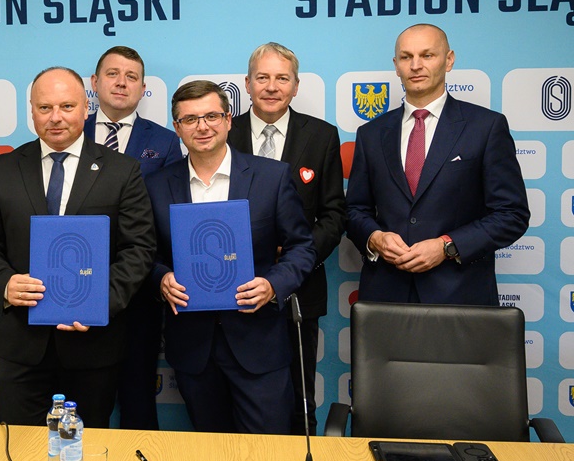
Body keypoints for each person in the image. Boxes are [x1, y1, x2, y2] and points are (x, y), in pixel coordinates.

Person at [0, 66, 156, 429]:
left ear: (85, 108)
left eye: (66, 106)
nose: (55, 118)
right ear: (32, 111)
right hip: (20, 347)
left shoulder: (122, 170)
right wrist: (5, 283)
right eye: (44, 108)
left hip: (93, 346)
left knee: (84, 456)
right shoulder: (2, 169)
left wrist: (99, 302)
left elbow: (139, 250)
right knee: (17, 456)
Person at [146, 80, 315, 434]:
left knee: (268, 455)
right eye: (190, 119)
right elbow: (146, 253)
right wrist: (161, 277)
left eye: (211, 115)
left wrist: (273, 284)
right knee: (211, 455)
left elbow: (302, 246)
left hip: (259, 343)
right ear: (177, 128)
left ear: (228, 120)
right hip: (194, 348)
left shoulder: (271, 177)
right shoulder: (157, 185)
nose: (202, 126)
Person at [345, 24, 529, 305]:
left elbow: (511, 214)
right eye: (406, 57)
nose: (416, 65)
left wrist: (447, 246)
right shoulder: (371, 134)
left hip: (460, 296)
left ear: (449, 60)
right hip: (386, 297)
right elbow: (355, 209)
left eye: (427, 55)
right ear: (396, 66)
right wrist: (375, 238)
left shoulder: (486, 127)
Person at [227, 42, 346, 435]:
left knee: (299, 400)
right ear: (247, 83)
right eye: (263, 77)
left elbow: (333, 214)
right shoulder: (223, 131)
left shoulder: (322, 136)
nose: (272, 87)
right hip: (234, 289)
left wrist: (297, 260)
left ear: (296, 86)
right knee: (235, 399)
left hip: (299, 290)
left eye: (282, 78)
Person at [88, 45, 182, 430]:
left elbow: (172, 216)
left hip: (140, 290)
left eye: (131, 77)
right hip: (81, 284)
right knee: (84, 399)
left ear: (143, 88)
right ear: (94, 83)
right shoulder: (68, 132)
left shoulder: (164, 142)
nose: (121, 82)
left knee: (138, 396)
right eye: (112, 74)